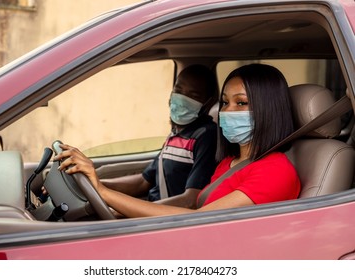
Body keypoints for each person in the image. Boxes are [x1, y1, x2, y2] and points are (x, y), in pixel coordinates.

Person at [54, 63, 301, 218]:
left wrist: (102, 191)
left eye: (241, 103)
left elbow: (197, 219)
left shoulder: (275, 171)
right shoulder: (229, 162)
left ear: (269, 109)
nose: (227, 111)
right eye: (225, 102)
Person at [92, 64, 219, 209]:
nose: (182, 98)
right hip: (152, 211)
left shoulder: (206, 136)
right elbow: (143, 182)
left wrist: (130, 212)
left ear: (208, 102)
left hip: (162, 221)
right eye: (178, 91)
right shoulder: (176, 134)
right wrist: (97, 184)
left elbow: (191, 200)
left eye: (193, 96)